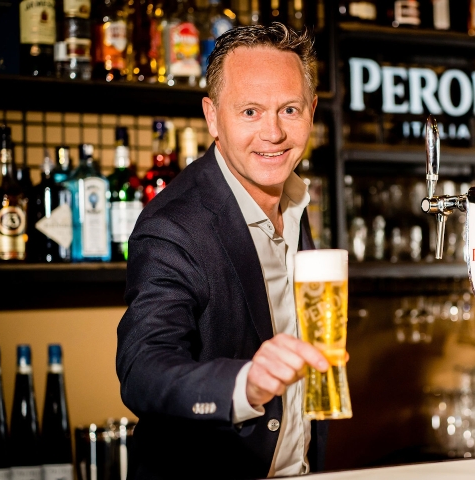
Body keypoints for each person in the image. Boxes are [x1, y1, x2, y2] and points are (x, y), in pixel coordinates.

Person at [116, 23, 330, 479]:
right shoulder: (173, 225)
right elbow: (142, 367)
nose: (272, 133)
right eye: (250, 111)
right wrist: (244, 383)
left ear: (311, 110)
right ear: (212, 117)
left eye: (289, 109)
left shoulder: (294, 201)